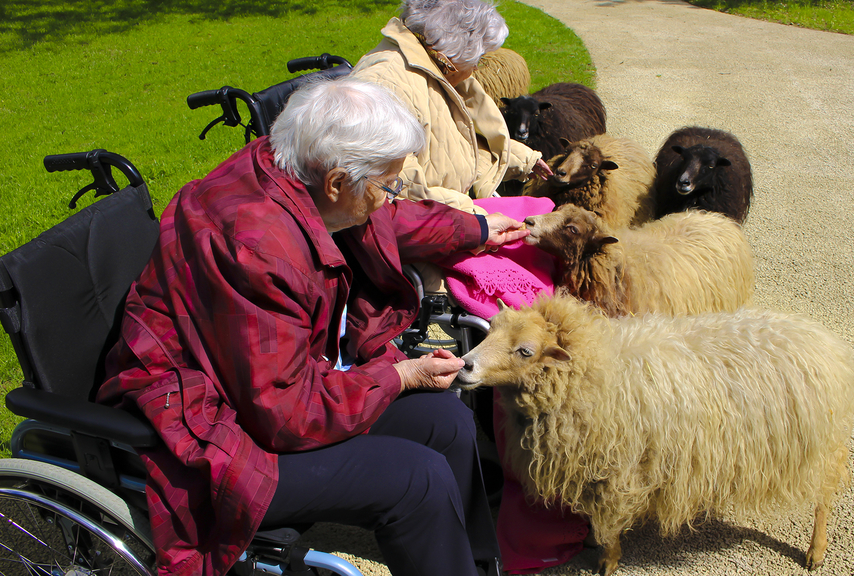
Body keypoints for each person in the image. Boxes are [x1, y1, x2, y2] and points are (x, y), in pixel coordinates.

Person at [97, 77, 528, 576]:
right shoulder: (260, 253)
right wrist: (398, 376)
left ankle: (471, 567)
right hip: (212, 429)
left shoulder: (292, 163)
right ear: (339, 182)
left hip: (268, 386)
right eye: (387, 184)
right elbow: (285, 416)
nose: (391, 196)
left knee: (446, 423)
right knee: (417, 479)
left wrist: (474, 228)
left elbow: (389, 220)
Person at [349, 0, 552, 217]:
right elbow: (397, 186)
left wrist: (520, 158)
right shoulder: (387, 85)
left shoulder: (437, 69)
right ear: (456, 48)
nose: (475, 69)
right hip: (430, 228)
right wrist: (474, 217)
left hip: (449, 218)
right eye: (478, 59)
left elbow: (453, 148)